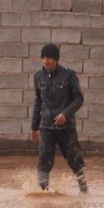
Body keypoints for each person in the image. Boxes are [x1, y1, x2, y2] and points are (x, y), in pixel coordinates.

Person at [31, 43, 88, 193]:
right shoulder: (37, 77)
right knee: (43, 163)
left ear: (55, 59)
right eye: (43, 57)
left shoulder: (69, 75)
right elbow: (38, 101)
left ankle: (84, 192)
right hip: (46, 127)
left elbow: (78, 99)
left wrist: (65, 114)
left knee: (75, 160)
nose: (45, 61)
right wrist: (34, 127)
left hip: (66, 128)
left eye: (48, 57)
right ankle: (44, 195)